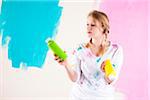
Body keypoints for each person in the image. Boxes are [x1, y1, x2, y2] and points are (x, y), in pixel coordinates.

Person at [54, 10, 123, 100]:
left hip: (103, 97)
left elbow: (111, 80)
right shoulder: (80, 49)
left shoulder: (115, 50)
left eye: (92, 25)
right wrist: (66, 64)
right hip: (79, 96)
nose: (88, 28)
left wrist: (107, 71)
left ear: (103, 27)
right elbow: (75, 78)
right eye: (87, 24)